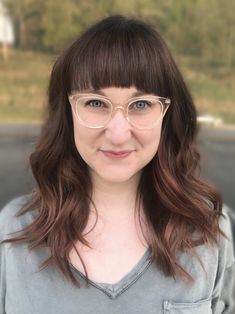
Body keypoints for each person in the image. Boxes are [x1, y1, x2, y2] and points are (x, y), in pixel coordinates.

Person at [0, 15, 234, 314]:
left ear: (167, 115)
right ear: (67, 111)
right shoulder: (12, 233)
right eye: (96, 103)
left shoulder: (209, 231)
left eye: (141, 105)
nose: (119, 133)